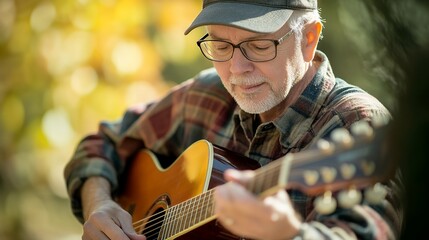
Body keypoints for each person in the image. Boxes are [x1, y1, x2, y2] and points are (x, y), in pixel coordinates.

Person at [64, 0, 402, 239]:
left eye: (257, 45)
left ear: (308, 39)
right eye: (220, 45)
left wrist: (290, 235)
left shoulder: (357, 125)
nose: (237, 70)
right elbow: (102, 143)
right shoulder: (206, 95)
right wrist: (100, 203)